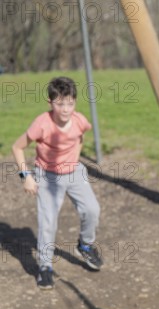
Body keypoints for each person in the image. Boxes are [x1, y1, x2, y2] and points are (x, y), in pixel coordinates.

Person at [12, 77, 103, 290]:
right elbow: (17, 147)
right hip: (47, 176)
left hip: (74, 172)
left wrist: (74, 159)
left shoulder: (80, 120)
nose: (65, 109)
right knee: (48, 223)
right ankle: (45, 267)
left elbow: (79, 137)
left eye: (70, 103)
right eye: (60, 103)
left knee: (92, 210)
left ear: (75, 102)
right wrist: (26, 177)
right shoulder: (41, 124)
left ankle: (85, 245)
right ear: (50, 102)